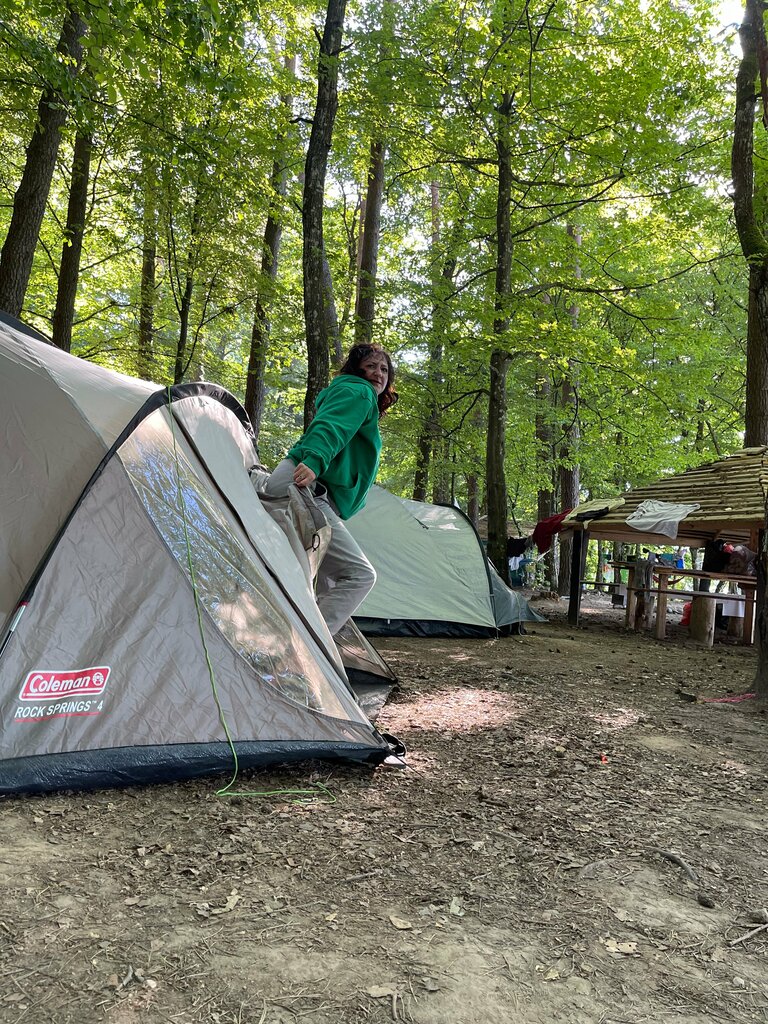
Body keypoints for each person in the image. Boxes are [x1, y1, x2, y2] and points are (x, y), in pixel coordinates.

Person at [263, 343, 398, 636]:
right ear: (356, 369)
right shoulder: (358, 392)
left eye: (384, 369)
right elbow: (330, 427)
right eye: (372, 366)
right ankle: (303, 647)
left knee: (325, 587)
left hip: (308, 489)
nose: (378, 374)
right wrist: (314, 460)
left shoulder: (355, 395)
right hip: (305, 486)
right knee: (359, 575)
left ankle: (304, 655)